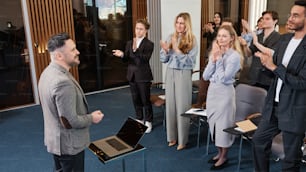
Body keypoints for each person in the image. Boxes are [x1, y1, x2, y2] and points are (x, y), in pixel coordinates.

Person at [252, 1, 306, 171]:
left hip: (294, 109)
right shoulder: (284, 39)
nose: (289, 19)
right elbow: (275, 74)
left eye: (295, 15)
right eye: (290, 14)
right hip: (273, 106)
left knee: (290, 160)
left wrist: (274, 67)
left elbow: (302, 83)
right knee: (259, 141)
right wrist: (266, 65)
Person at [38, 32, 104, 172]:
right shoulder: (62, 82)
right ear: (59, 56)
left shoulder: (47, 73)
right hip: (69, 145)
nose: (78, 52)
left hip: (57, 142)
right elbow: (70, 122)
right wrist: (92, 118)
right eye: (73, 49)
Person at [203, 25, 243, 170]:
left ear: (232, 38)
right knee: (213, 123)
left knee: (223, 126)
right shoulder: (216, 52)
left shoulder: (234, 56)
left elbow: (224, 78)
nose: (220, 39)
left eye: (224, 36)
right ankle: (219, 153)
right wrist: (213, 59)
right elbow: (206, 76)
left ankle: (224, 156)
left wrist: (218, 60)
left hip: (225, 93)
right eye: (219, 36)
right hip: (212, 92)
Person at [160, 12, 198, 150]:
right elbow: (163, 59)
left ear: (187, 24)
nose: (179, 25)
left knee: (182, 106)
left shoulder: (192, 40)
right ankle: (172, 137)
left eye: (182, 23)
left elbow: (190, 62)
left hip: (183, 73)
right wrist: (165, 51)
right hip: (170, 72)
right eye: (177, 22)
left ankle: (183, 140)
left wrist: (177, 50)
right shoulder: (170, 37)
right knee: (170, 105)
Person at [112, 19, 154, 133]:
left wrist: (136, 50)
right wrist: (122, 55)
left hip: (143, 75)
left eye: (141, 29)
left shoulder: (149, 44)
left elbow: (144, 59)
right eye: (136, 28)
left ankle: (149, 121)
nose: (138, 31)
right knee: (135, 99)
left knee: (145, 99)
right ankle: (139, 119)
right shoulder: (129, 43)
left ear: (146, 31)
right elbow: (127, 59)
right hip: (132, 75)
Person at [242, 10, 281, 91]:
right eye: (263, 19)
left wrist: (256, 43)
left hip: (267, 76)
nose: (264, 21)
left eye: (267, 19)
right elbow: (249, 53)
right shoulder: (258, 36)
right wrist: (245, 45)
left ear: (275, 21)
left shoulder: (279, 37)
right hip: (254, 75)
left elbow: (271, 52)